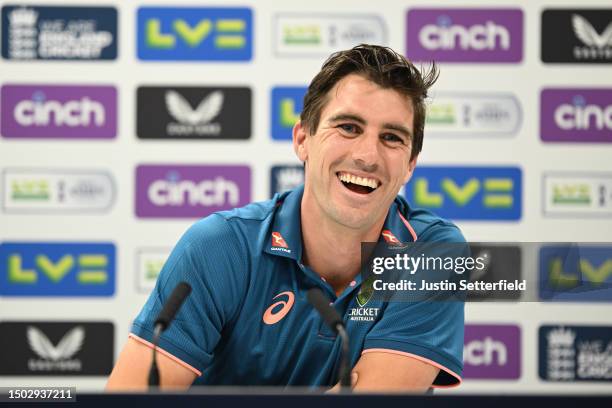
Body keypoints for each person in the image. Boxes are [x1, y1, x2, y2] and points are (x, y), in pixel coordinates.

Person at [106, 44, 465, 392]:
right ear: (302, 139)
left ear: (410, 166)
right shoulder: (219, 247)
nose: (368, 156)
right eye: (349, 128)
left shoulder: (435, 255)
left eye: (391, 137)